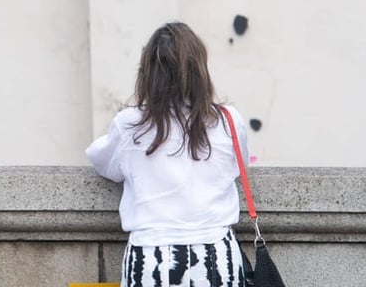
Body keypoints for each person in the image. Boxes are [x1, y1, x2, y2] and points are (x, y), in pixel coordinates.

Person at [86, 22, 249, 287]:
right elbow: (238, 164)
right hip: (216, 257)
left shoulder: (130, 124)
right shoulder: (228, 121)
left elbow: (102, 160)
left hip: (152, 259)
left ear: (148, 73)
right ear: (200, 71)